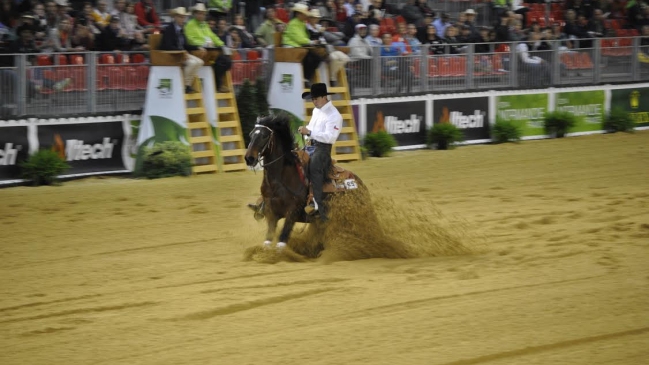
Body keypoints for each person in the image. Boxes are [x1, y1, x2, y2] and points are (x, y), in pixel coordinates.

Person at [298, 83, 343, 221]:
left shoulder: (335, 115)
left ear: (324, 97)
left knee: (314, 165)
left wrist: (309, 132)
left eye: (316, 98)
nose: (314, 101)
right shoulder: (316, 111)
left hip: (323, 150)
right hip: (310, 146)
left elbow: (330, 137)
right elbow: (310, 131)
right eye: (312, 99)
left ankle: (317, 205)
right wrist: (305, 133)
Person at [184, 3, 232, 93]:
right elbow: (190, 39)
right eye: (199, 13)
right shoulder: (190, 24)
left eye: (203, 13)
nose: (202, 15)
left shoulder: (204, 25)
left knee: (227, 61)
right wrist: (204, 44)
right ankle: (218, 85)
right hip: (197, 50)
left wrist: (221, 44)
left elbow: (212, 36)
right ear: (195, 14)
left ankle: (217, 83)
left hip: (209, 50)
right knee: (222, 61)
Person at [159, 7, 205, 93]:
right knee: (192, 63)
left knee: (200, 62)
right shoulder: (169, 29)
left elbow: (185, 45)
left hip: (181, 53)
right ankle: (184, 85)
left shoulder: (182, 29)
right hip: (171, 55)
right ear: (175, 17)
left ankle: (187, 84)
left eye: (183, 17)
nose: (182, 19)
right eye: (180, 17)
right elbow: (168, 46)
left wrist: (197, 47)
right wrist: (181, 52)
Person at [282, 3, 325, 87]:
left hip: (299, 47)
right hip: (290, 47)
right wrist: (312, 42)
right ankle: (304, 78)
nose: (306, 16)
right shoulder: (293, 23)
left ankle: (306, 78)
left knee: (317, 58)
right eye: (304, 14)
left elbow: (305, 37)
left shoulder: (302, 23)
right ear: (298, 14)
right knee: (308, 58)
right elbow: (299, 38)